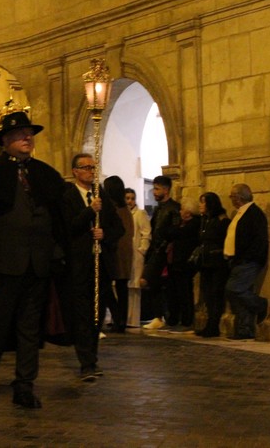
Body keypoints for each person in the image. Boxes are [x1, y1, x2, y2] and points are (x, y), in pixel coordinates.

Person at [0, 111, 68, 408]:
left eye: (29, 133)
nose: (27, 138)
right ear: (5, 141)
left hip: (37, 264)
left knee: (30, 328)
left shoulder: (43, 173)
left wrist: (55, 254)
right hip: (3, 263)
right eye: (20, 134)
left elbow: (56, 217)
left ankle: (25, 384)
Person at [64, 153, 124, 381]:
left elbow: (119, 228)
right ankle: (86, 363)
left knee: (97, 314)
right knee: (82, 315)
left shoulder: (102, 195)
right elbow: (68, 227)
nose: (91, 171)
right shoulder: (68, 196)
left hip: (101, 264)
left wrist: (104, 234)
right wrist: (90, 211)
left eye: (93, 167)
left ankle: (92, 358)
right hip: (79, 265)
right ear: (75, 171)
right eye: (86, 167)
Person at [223, 183, 268, 340]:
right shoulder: (240, 213)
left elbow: (259, 240)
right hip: (237, 260)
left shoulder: (254, 214)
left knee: (233, 289)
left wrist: (247, 257)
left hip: (248, 261)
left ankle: (260, 304)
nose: (231, 199)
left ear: (238, 197)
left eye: (232, 196)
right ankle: (245, 330)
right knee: (240, 297)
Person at [140, 176, 181, 330]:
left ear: (166, 189)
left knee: (149, 280)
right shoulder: (159, 209)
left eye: (157, 189)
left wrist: (165, 246)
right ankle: (159, 316)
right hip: (156, 250)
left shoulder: (174, 208)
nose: (154, 192)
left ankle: (166, 316)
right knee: (153, 283)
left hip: (164, 251)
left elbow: (174, 230)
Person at [194, 192, 230, 338]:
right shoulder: (205, 220)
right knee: (207, 294)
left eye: (203, 202)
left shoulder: (221, 220)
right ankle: (209, 323)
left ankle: (213, 325)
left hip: (217, 263)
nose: (200, 205)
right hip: (206, 263)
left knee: (216, 294)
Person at [163, 197, 200, 333]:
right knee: (173, 291)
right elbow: (168, 232)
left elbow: (175, 233)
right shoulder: (181, 224)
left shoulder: (193, 224)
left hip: (184, 263)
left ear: (188, 212)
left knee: (184, 292)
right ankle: (173, 318)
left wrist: (174, 230)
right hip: (175, 262)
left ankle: (186, 320)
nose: (180, 211)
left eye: (183, 209)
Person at [102, 176, 133, 333]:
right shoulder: (125, 209)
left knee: (105, 286)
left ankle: (117, 317)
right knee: (122, 288)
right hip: (126, 251)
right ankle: (121, 321)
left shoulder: (112, 208)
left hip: (114, 250)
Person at [125, 188, 150, 327]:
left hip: (135, 254)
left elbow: (146, 233)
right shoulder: (121, 214)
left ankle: (133, 320)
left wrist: (142, 250)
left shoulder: (140, 213)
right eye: (127, 198)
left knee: (134, 288)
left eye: (132, 198)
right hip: (124, 255)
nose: (130, 201)